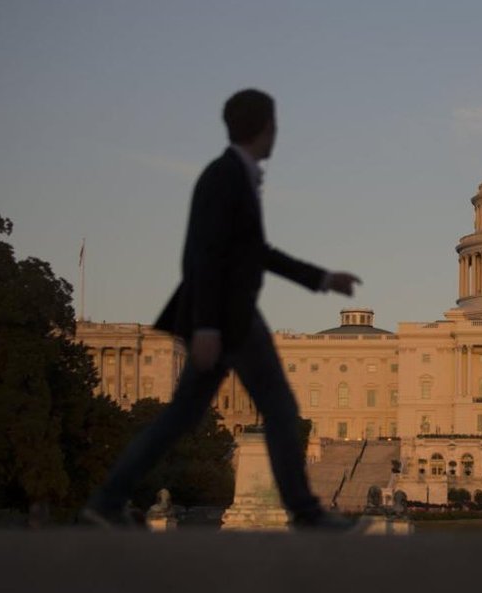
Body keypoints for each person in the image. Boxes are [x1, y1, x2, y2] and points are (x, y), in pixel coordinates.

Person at [81, 89, 362, 531]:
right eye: (275, 125)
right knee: (281, 410)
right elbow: (202, 254)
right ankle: (306, 513)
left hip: (226, 312)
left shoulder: (235, 174)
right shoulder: (224, 176)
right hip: (227, 316)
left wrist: (322, 279)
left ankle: (107, 500)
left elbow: (256, 251)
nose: (277, 133)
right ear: (265, 127)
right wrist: (208, 325)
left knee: (181, 417)